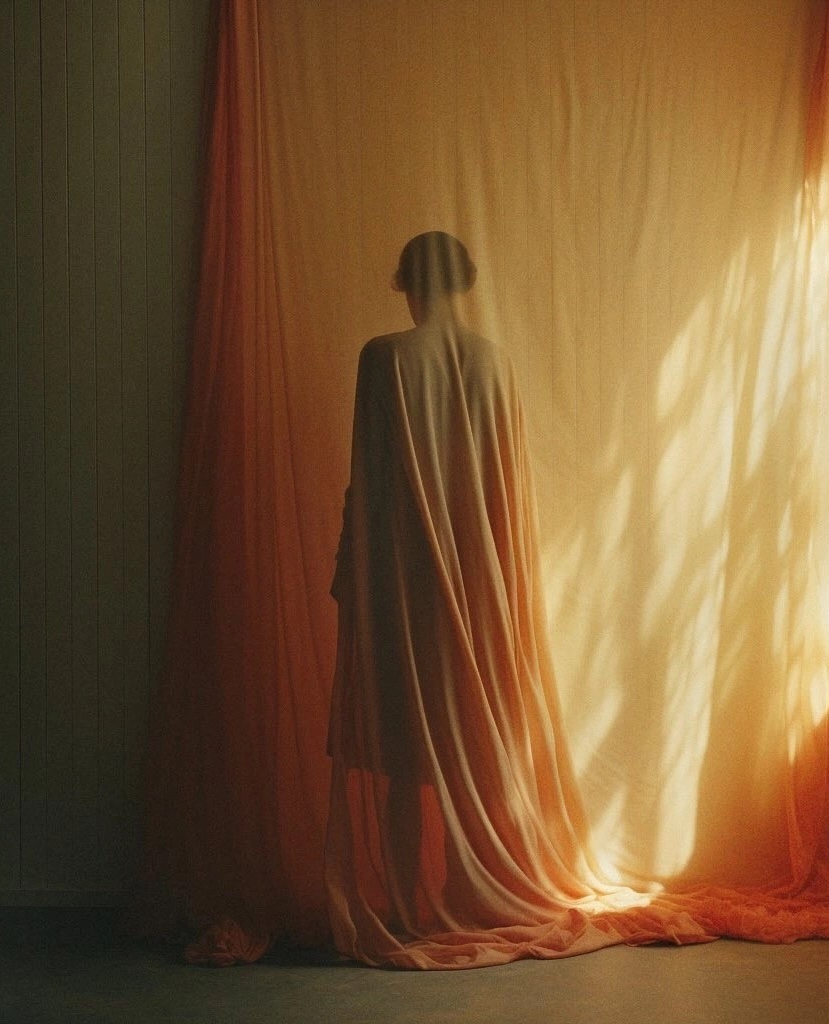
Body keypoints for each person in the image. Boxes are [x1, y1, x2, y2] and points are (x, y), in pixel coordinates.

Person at [325, 232, 599, 968]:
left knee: (403, 756)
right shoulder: (494, 363)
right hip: (478, 582)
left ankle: (410, 907)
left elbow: (369, 480)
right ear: (465, 283)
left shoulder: (384, 358)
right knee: (462, 745)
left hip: (404, 578)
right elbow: (506, 492)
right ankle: (463, 896)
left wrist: (350, 568)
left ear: (407, 283)